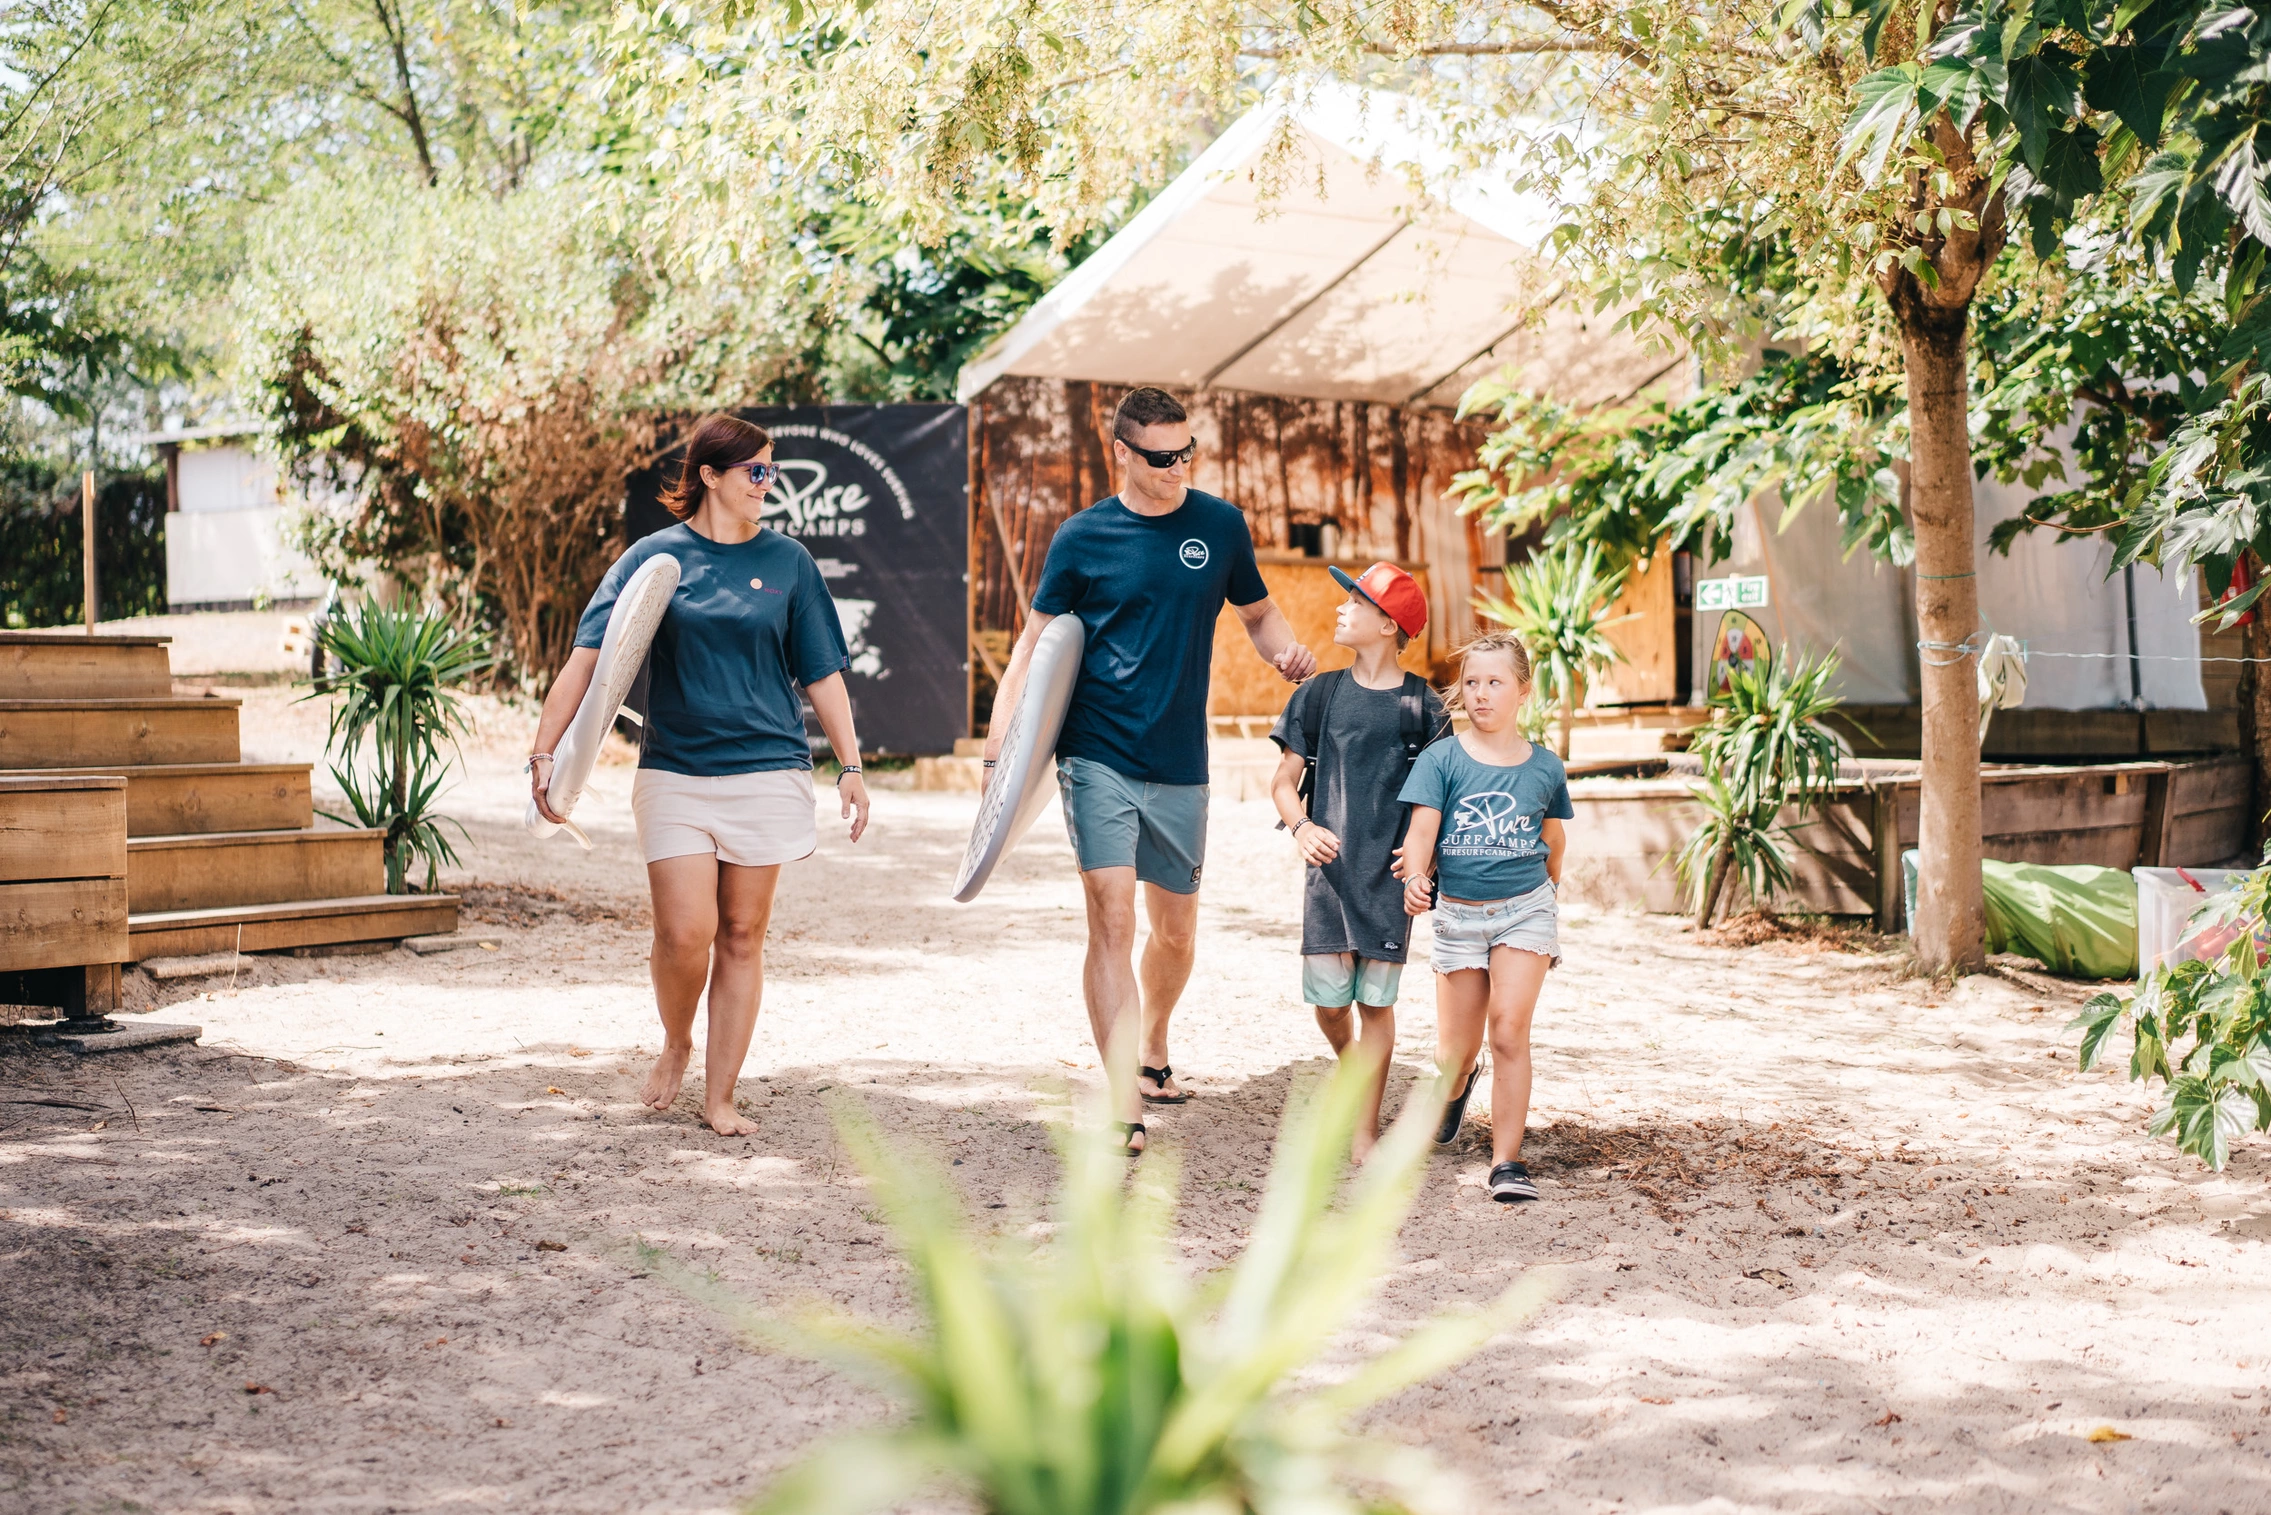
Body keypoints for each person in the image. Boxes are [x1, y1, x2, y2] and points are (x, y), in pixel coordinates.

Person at [986, 386, 1317, 1153]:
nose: (1178, 468)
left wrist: (1284, 651)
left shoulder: (1218, 525)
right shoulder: (1082, 538)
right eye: (1162, 457)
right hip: (1096, 750)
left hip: (1179, 759)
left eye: (1186, 453)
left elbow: (1259, 614)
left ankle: (1153, 1044)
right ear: (1123, 454)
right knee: (1111, 917)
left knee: (1174, 930)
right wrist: (998, 757)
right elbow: (1033, 650)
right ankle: (1118, 1101)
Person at [529, 413, 870, 1137]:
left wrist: (850, 764)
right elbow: (588, 662)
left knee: (742, 934)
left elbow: (822, 673)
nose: (766, 484)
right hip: (675, 770)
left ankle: (720, 1097)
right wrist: (545, 753)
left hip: (769, 768)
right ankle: (677, 1037)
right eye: (755, 471)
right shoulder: (653, 561)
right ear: (710, 476)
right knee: (685, 933)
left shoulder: (790, 563)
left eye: (771, 471)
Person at [1268, 563, 1445, 1163]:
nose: (1341, 608)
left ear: (1388, 624)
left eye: (1356, 600)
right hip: (1329, 876)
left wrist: (1424, 870)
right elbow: (1284, 782)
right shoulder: (1318, 695)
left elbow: (1438, 800)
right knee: (1329, 1003)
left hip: (1390, 881)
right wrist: (1302, 827)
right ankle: (1353, 1066)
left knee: (1375, 1005)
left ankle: (1365, 1132)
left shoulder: (1425, 707)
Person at [1395, 631, 1571, 1203]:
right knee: (1456, 1050)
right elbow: (1422, 832)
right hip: (1459, 918)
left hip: (1525, 911)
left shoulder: (1545, 766)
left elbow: (1554, 840)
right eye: (1471, 682)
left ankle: (1507, 1162)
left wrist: (1544, 896)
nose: (1480, 694)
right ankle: (1457, 1085)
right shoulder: (1441, 758)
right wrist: (1418, 878)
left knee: (1509, 1030)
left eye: (1494, 683)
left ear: (1522, 691)